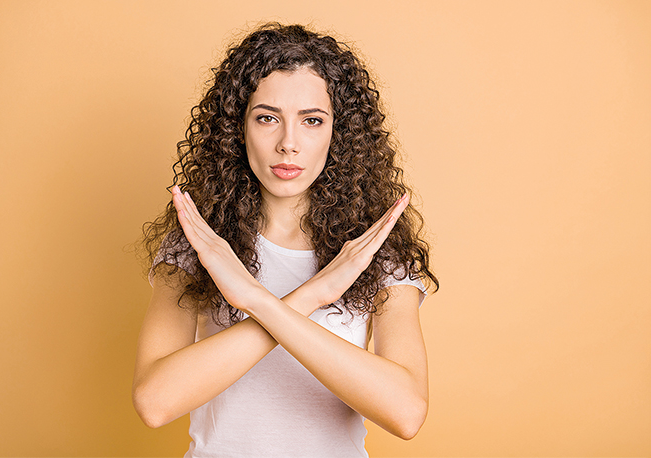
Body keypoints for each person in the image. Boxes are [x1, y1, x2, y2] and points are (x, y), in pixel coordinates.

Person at [132, 23, 439, 457]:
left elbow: (406, 413)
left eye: (312, 121)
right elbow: (155, 402)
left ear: (339, 134)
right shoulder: (198, 243)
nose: (288, 144)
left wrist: (255, 301)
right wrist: (312, 295)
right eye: (267, 118)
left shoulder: (373, 252)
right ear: (237, 128)